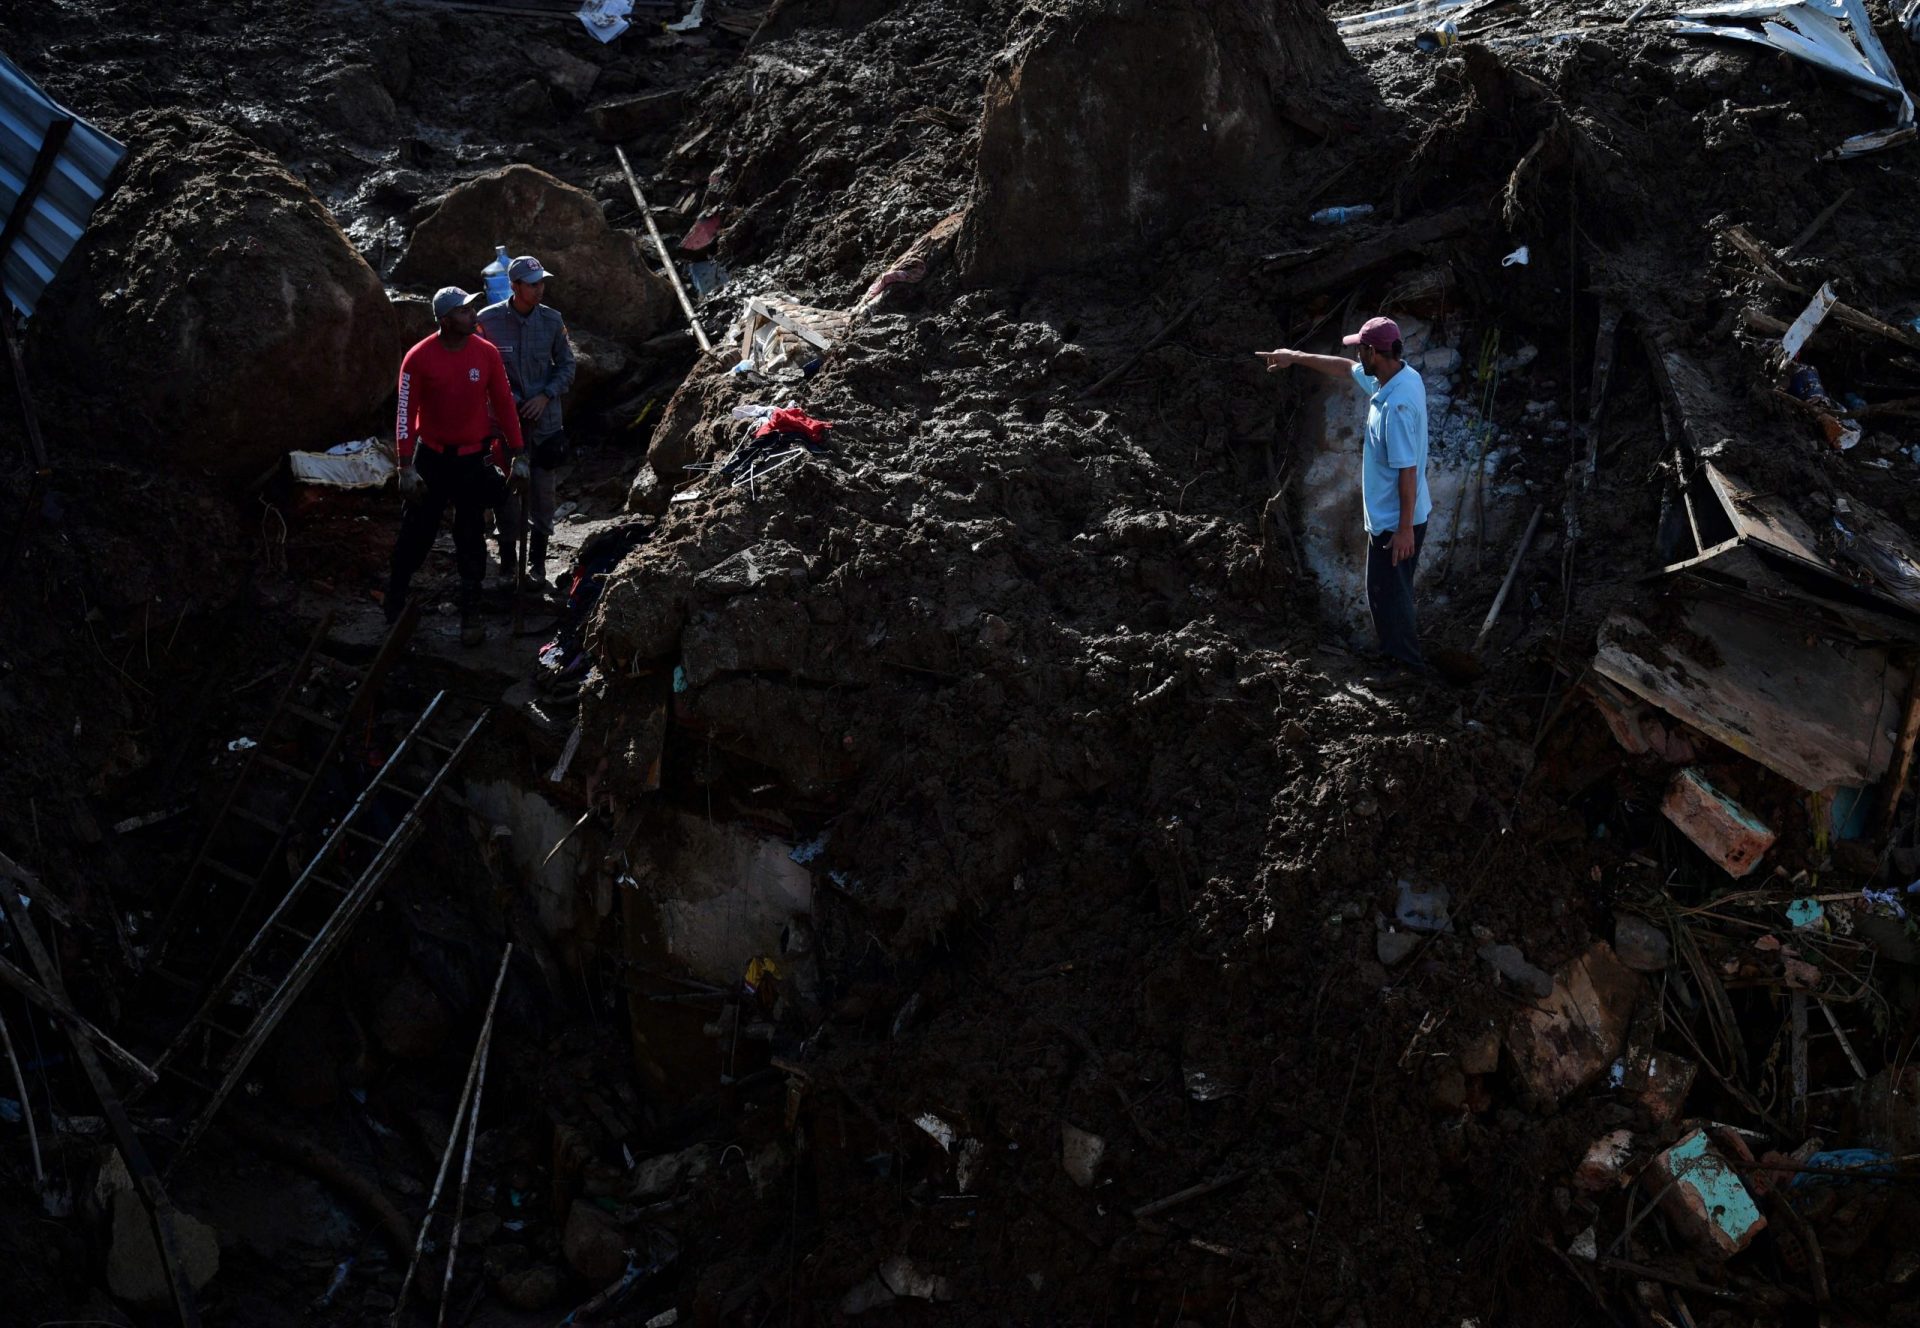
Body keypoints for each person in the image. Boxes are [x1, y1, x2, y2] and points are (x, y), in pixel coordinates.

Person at [1258, 316, 1432, 671]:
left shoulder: (1395, 408)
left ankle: (1405, 670)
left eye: (1360, 348)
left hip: (1395, 521)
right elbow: (1345, 368)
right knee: (1392, 593)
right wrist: (1294, 355)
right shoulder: (1399, 377)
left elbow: (1407, 473)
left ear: (1373, 351)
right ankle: (1398, 657)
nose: (1356, 354)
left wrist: (1402, 531)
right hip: (1401, 518)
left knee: (1387, 597)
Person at [388, 286, 528, 646]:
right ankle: (395, 597)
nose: (473, 315)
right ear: (446, 320)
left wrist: (518, 453)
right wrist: (405, 467)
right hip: (431, 460)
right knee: (416, 532)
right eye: (465, 311)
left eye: (472, 309)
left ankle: (471, 611)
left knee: (470, 536)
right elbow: (405, 415)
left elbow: (504, 404)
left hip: (471, 460)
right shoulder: (418, 358)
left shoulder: (486, 353)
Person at [477, 255, 576, 588]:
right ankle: (507, 566)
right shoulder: (487, 322)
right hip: (504, 426)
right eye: (532, 284)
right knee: (506, 494)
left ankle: (537, 567)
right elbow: (482, 374)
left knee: (543, 495)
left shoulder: (551, 321)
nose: (539, 289)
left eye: (542, 283)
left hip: (546, 424)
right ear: (515, 286)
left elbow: (566, 366)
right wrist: (513, 403)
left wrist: (545, 395)